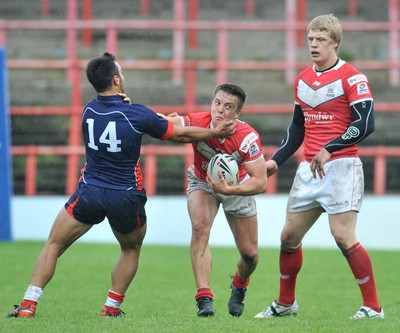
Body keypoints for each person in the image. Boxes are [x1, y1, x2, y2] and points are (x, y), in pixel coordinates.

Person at [6, 52, 236, 318]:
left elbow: (116, 117)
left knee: (54, 245)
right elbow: (180, 134)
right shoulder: (135, 114)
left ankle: (28, 305)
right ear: (116, 79)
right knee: (130, 248)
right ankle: (111, 307)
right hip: (125, 196)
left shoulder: (88, 110)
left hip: (89, 191)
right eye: (121, 72)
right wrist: (213, 133)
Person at [254, 14, 384, 320]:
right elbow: (296, 129)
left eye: (321, 39)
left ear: (335, 43)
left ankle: (373, 308)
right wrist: (274, 161)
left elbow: (366, 123)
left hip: (342, 167)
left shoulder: (352, 77)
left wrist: (330, 147)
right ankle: (286, 304)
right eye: (310, 39)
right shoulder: (302, 80)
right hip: (309, 170)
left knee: (342, 236)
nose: (314, 44)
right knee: (288, 237)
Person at [164, 83, 267, 317]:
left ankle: (239, 284)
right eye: (217, 103)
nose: (220, 110)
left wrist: (230, 190)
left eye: (228, 106)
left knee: (250, 256)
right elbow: (165, 125)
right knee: (200, 228)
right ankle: (204, 298)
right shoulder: (195, 121)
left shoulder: (247, 138)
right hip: (203, 181)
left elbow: (260, 182)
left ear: (238, 113)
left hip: (236, 187)